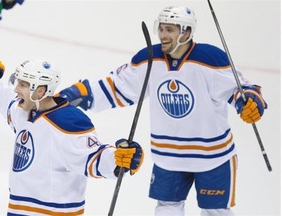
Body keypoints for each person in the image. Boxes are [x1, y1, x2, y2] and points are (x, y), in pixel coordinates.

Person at [58, 5, 267, 216]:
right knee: (167, 209)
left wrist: (249, 102)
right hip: (169, 156)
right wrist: (83, 93)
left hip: (213, 156)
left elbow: (241, 88)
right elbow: (118, 86)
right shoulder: (149, 59)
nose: (163, 35)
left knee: (215, 211)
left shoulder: (210, 59)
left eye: (170, 30)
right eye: (161, 29)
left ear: (186, 32)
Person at [0, 55, 144, 215]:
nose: (16, 89)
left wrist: (121, 159)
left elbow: (95, 157)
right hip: (17, 210)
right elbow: (3, 97)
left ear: (40, 91)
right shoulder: (21, 112)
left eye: (23, 85)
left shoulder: (68, 123)